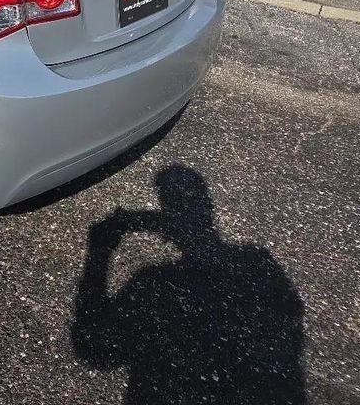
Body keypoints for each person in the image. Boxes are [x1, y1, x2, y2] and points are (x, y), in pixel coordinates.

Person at [71, 164, 306, 405]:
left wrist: (99, 252)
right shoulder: (257, 262)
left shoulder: (156, 282)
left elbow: (94, 348)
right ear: (208, 208)